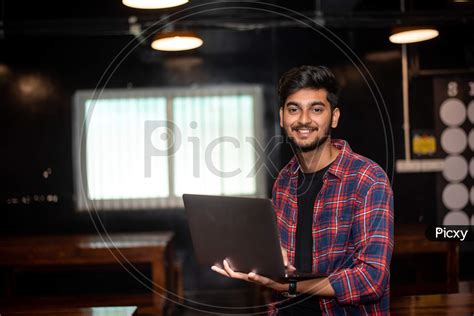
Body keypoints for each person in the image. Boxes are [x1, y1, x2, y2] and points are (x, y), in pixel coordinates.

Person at [211, 65, 394, 315]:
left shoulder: (368, 179)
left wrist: (293, 285)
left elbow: (372, 279)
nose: (304, 120)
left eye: (316, 109)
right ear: (282, 117)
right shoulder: (284, 181)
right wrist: (253, 261)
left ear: (335, 116)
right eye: (294, 109)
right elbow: (283, 266)